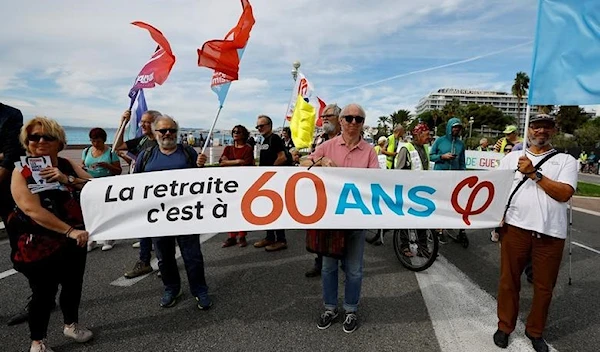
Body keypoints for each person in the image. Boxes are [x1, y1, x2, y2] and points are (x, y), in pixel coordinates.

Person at [493, 114, 578, 352]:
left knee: (544, 287)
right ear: (528, 129)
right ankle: (505, 326)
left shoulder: (566, 161)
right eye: (537, 126)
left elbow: (564, 193)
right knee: (509, 282)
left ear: (554, 131)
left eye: (547, 127)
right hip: (515, 228)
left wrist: (534, 174)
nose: (541, 131)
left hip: (550, 233)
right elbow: (497, 190)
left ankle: (535, 330)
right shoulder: (511, 158)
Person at [9, 116, 93, 352]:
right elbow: (30, 209)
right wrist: (69, 231)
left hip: (76, 239)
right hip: (40, 243)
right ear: (27, 142)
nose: (41, 141)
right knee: (43, 294)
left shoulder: (65, 164)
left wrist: (67, 179)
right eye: (34, 137)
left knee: (73, 285)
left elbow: (95, 186)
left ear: (59, 141)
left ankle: (71, 325)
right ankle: (37, 341)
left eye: (48, 136)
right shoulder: (21, 170)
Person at [301, 103, 378, 333]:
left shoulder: (370, 151)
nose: (354, 122)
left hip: (356, 220)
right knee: (328, 267)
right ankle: (330, 307)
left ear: (363, 124)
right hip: (330, 221)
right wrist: (320, 161)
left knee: (354, 268)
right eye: (349, 118)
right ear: (341, 121)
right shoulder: (326, 146)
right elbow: (303, 164)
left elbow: (378, 183)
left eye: (359, 119)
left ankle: (351, 309)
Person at [134, 115, 213, 310]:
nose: (168, 134)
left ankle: (200, 290)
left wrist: (202, 166)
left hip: (186, 216)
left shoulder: (188, 152)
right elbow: (134, 185)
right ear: (155, 133)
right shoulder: (146, 156)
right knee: (164, 258)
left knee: (193, 256)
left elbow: (204, 181)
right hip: (158, 218)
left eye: (172, 130)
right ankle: (171, 288)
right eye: (163, 130)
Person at [114, 109, 160, 279]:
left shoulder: (163, 142)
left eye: (147, 121)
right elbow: (117, 147)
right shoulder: (142, 141)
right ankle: (144, 262)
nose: (142, 125)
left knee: (162, 230)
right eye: (142, 121)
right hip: (143, 191)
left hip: (160, 193)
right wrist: (123, 123)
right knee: (144, 227)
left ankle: (164, 263)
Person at [0, 103, 30, 327]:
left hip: (8, 194)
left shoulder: (10, 115)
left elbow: (12, 157)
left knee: (21, 250)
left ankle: (39, 297)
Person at [304, 103, 342, 278]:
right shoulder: (319, 139)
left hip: (341, 192)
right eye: (323, 116)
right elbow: (308, 161)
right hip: (320, 191)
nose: (324, 118)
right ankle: (319, 261)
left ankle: (343, 261)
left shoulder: (349, 137)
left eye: (328, 115)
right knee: (320, 229)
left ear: (340, 119)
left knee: (341, 230)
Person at [81, 127, 122, 252]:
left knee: (106, 212)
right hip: (90, 184)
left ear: (103, 140)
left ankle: (108, 238)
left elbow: (118, 170)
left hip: (106, 185)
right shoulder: (87, 151)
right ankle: (92, 239)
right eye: (92, 141)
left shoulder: (111, 152)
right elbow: (83, 165)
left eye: (98, 141)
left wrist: (107, 166)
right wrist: (83, 168)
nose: (95, 144)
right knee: (90, 212)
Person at [253, 115, 289, 252]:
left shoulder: (274, 139)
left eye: (261, 125)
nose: (259, 128)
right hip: (265, 179)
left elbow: (282, 157)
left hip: (274, 179)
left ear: (269, 125)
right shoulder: (265, 140)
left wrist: (271, 173)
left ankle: (281, 239)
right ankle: (269, 236)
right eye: (257, 126)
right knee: (267, 209)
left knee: (276, 209)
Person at [394, 123, 432, 256]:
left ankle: (423, 248)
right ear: (418, 134)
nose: (429, 137)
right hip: (407, 191)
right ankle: (404, 246)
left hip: (421, 191)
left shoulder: (425, 148)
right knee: (405, 220)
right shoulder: (406, 148)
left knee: (422, 220)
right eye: (427, 135)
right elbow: (398, 170)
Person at [429, 117, 467, 244]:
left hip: (454, 179)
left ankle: (446, 226)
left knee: (450, 204)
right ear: (449, 128)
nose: (456, 129)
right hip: (439, 177)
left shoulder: (461, 144)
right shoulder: (440, 141)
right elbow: (431, 156)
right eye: (454, 127)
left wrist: (463, 176)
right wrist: (442, 157)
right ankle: (437, 230)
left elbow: (462, 162)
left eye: (458, 127)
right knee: (438, 203)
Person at [219, 125, 254, 248]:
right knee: (230, 209)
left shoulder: (248, 149)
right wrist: (238, 161)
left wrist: (232, 162)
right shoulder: (228, 148)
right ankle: (231, 236)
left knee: (241, 208)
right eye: (234, 131)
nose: (235, 133)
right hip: (229, 183)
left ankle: (242, 235)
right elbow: (222, 162)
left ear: (244, 134)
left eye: (238, 132)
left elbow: (246, 163)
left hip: (243, 182)